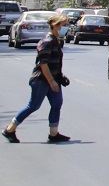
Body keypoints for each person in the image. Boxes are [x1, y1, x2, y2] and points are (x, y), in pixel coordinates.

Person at [3, 13, 72, 143]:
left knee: (57, 104)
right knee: (33, 106)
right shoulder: (47, 41)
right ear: (55, 26)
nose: (66, 27)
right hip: (41, 80)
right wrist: (51, 81)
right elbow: (43, 63)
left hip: (54, 78)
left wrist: (59, 77)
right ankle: (10, 129)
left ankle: (53, 133)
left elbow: (54, 62)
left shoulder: (57, 40)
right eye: (64, 25)